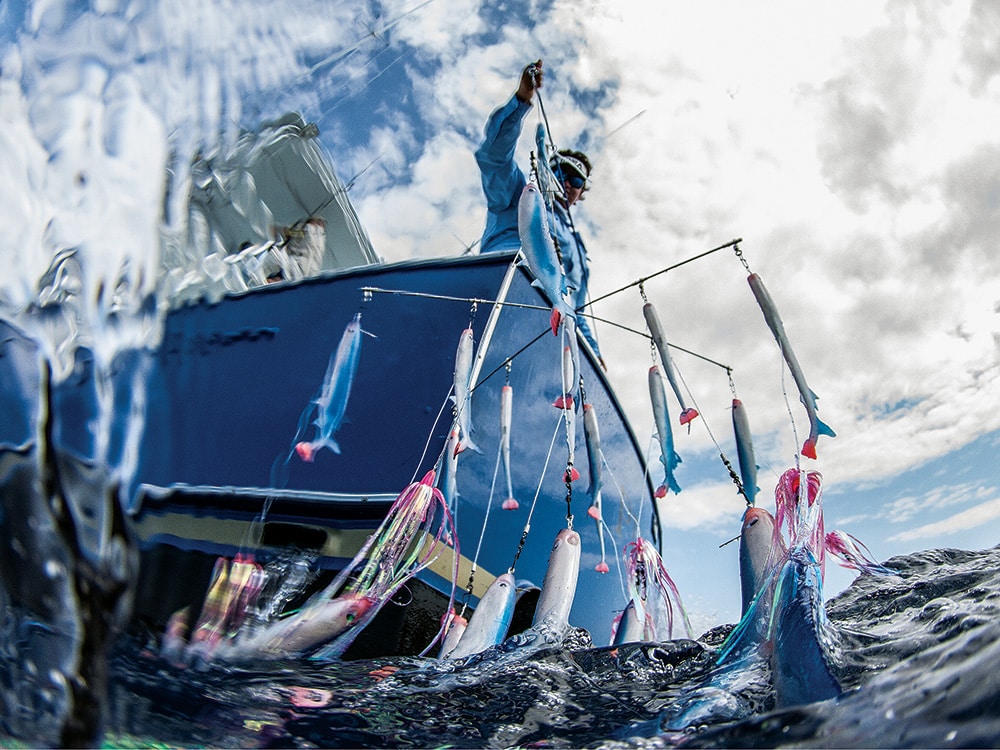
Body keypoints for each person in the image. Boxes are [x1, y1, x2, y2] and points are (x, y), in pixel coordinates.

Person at [475, 60, 601, 359]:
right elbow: (493, 158)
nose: (567, 182)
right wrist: (521, 99)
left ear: (580, 193)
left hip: (551, 329)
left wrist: (593, 356)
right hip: (500, 286)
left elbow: (577, 307)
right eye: (560, 171)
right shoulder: (519, 192)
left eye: (576, 180)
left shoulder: (578, 251)